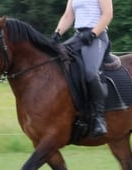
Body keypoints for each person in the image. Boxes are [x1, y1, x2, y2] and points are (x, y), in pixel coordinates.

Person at [52, 0, 113, 137]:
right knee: (56, 64)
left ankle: (99, 117)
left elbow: (108, 14)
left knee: (90, 73)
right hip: (78, 37)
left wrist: (93, 34)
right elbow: (68, 15)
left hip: (97, 37)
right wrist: (57, 33)